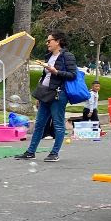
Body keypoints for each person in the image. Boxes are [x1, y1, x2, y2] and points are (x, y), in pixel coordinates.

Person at [16, 31, 77, 162]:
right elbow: (46, 77)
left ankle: (54, 153)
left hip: (58, 94)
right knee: (39, 124)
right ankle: (30, 152)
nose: (47, 43)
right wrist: (39, 97)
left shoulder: (67, 56)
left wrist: (56, 71)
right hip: (45, 93)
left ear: (58, 41)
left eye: (49, 41)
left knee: (58, 124)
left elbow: (73, 75)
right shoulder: (49, 56)